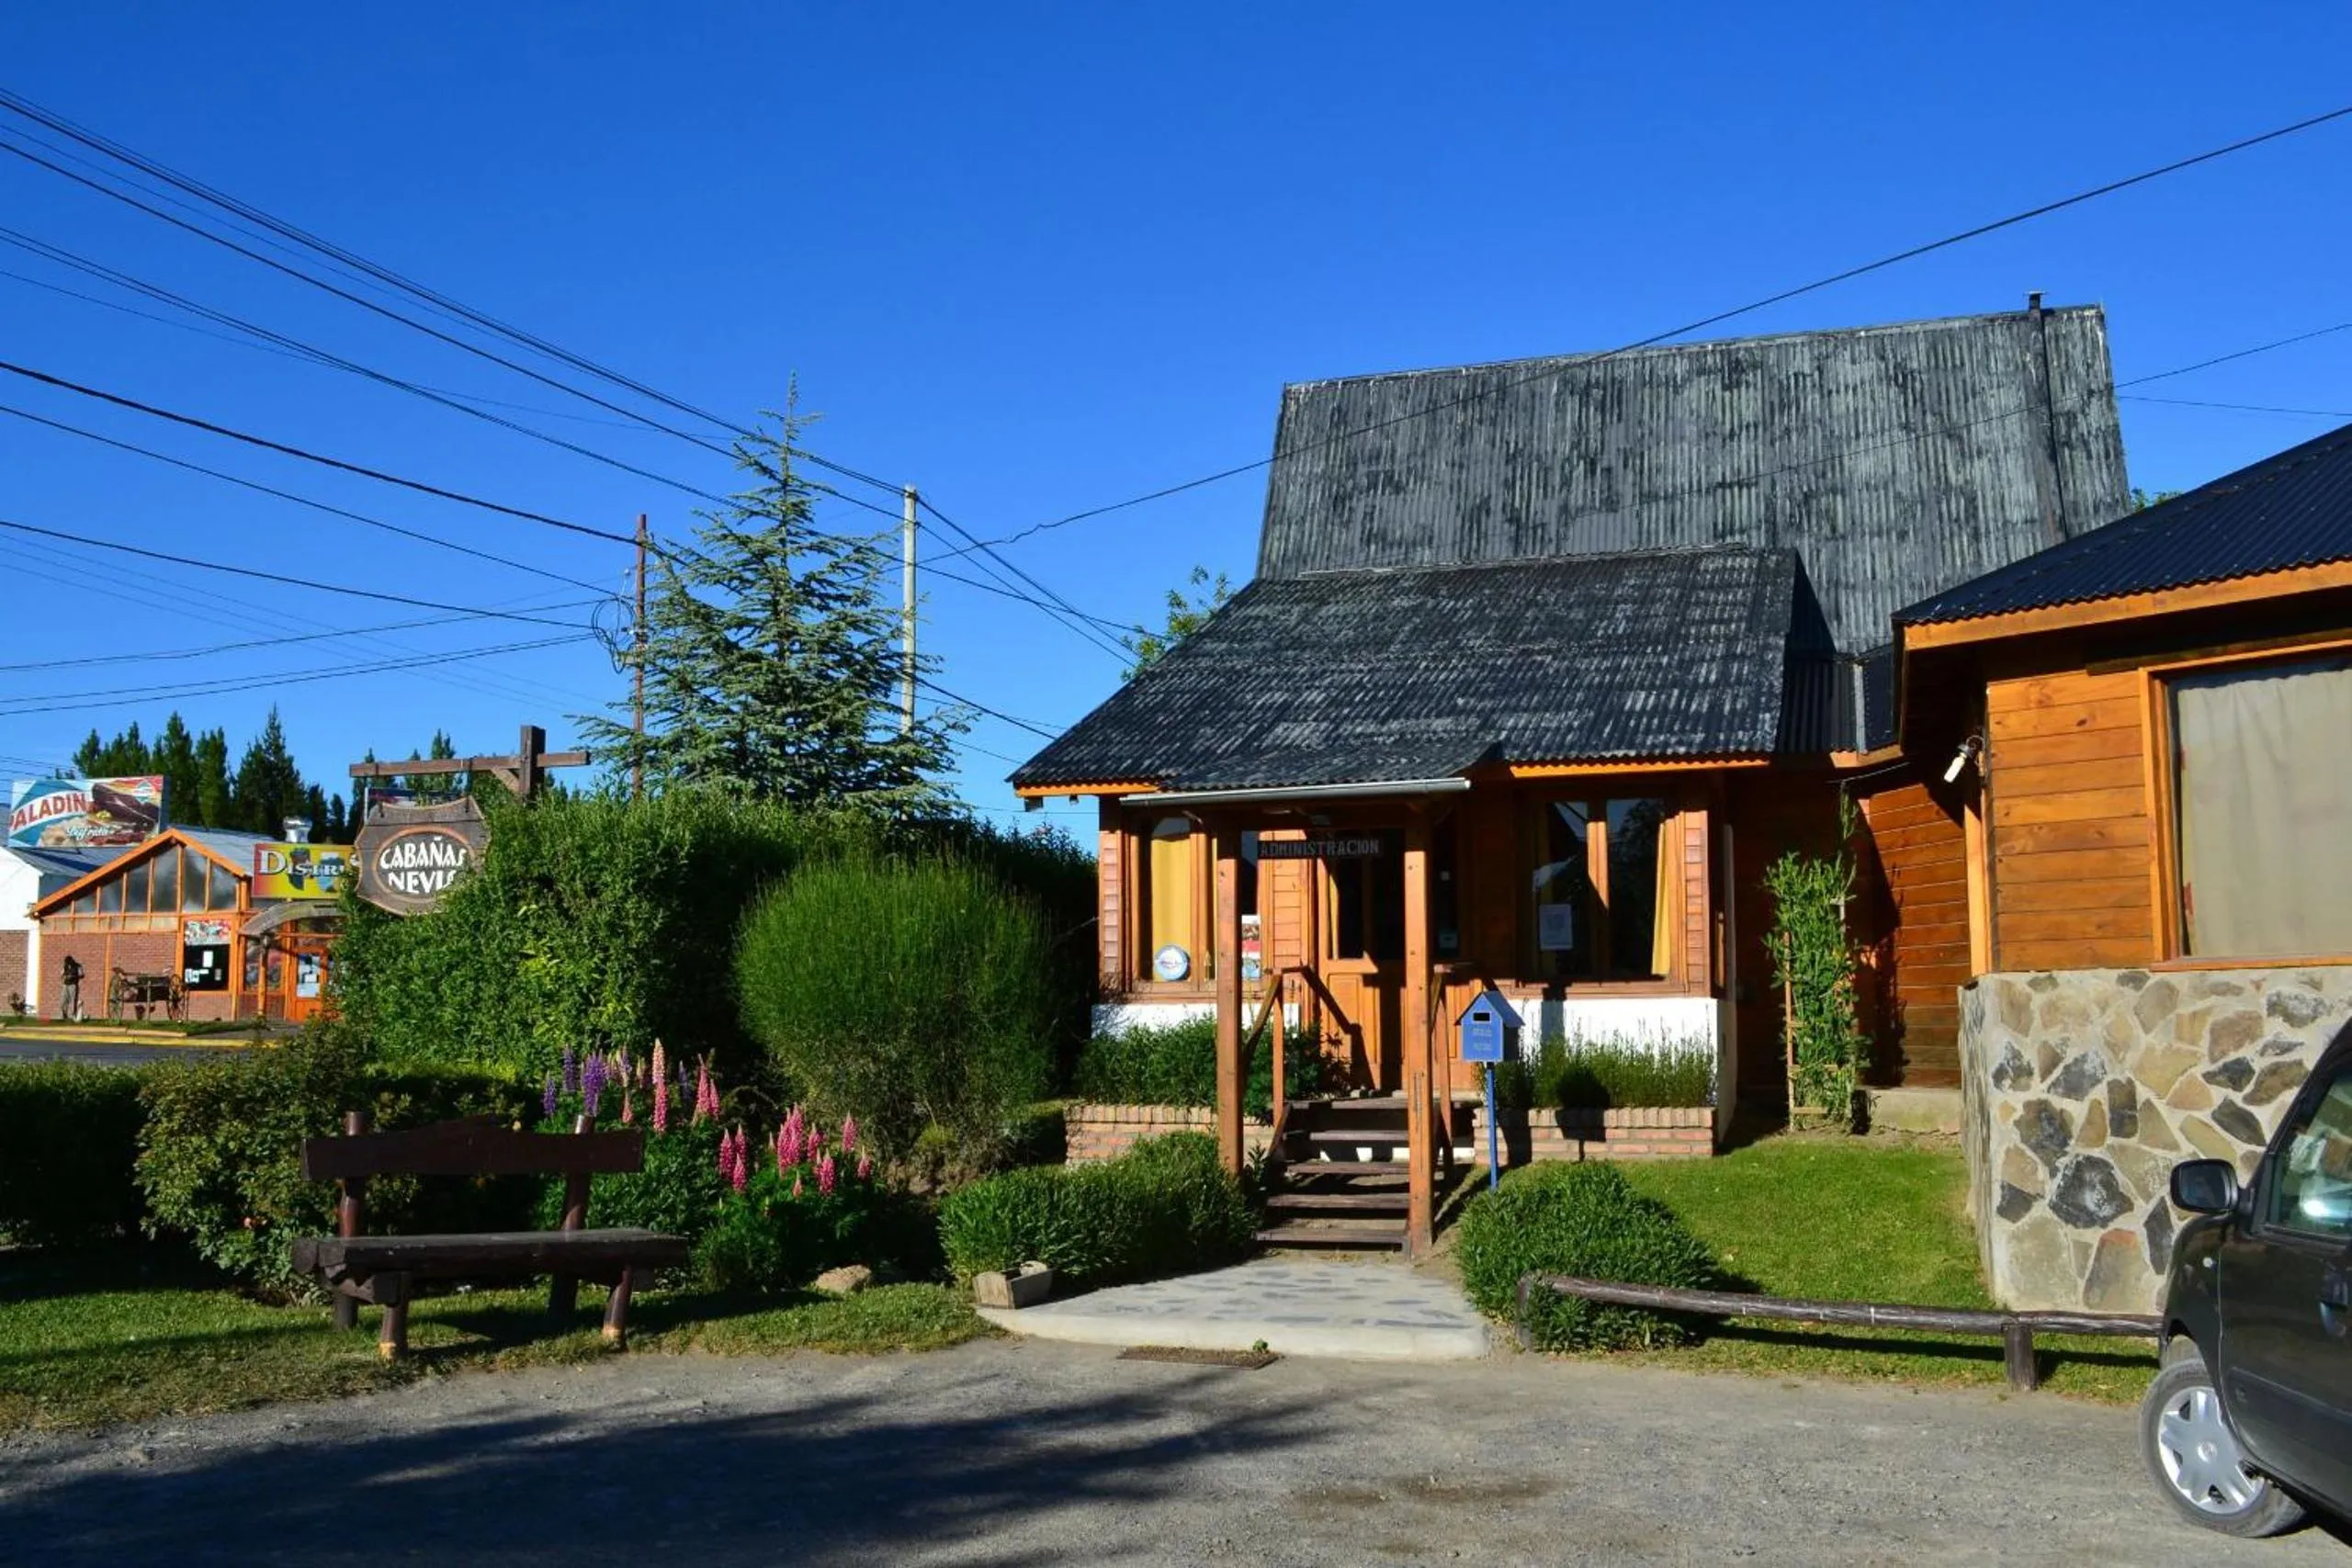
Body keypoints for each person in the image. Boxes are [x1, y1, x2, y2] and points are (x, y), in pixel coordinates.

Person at [58, 953, 82, 1022]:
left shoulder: (78, 966)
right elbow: (61, 974)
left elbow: (82, 975)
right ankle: (63, 1015)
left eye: (69, 962)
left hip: (73, 985)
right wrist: (63, 978)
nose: (68, 964)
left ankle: (73, 1015)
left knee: (73, 1000)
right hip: (65, 985)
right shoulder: (65, 966)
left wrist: (73, 976)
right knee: (63, 1000)